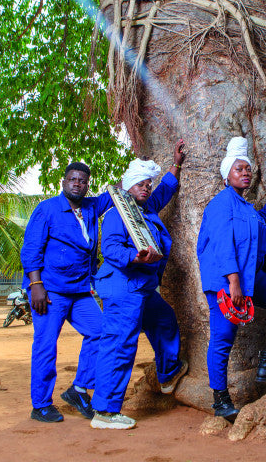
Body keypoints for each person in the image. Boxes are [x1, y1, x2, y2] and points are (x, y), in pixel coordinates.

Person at [197, 136, 266, 421]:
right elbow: (222, 244)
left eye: (247, 169)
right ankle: (220, 401)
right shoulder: (220, 204)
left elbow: (259, 221)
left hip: (251, 279)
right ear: (227, 175)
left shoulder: (245, 207)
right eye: (238, 169)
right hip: (226, 282)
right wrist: (233, 281)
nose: (245, 173)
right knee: (223, 338)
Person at [90, 140, 188, 430]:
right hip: (123, 287)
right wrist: (135, 256)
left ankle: (167, 374)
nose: (145, 188)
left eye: (147, 184)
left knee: (165, 321)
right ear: (127, 187)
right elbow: (110, 248)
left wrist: (176, 164)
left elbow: (165, 190)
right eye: (140, 184)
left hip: (142, 288)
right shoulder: (118, 214)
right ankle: (105, 412)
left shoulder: (145, 211)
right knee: (120, 344)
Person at [21, 162, 114, 423]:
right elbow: (31, 249)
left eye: (82, 181)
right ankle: (41, 405)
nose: (77, 184)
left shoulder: (91, 207)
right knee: (46, 345)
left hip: (80, 290)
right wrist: (35, 285)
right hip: (50, 291)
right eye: (73, 179)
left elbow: (116, 192)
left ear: (87, 185)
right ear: (64, 182)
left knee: (101, 331)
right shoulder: (47, 209)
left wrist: (140, 172)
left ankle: (79, 389)